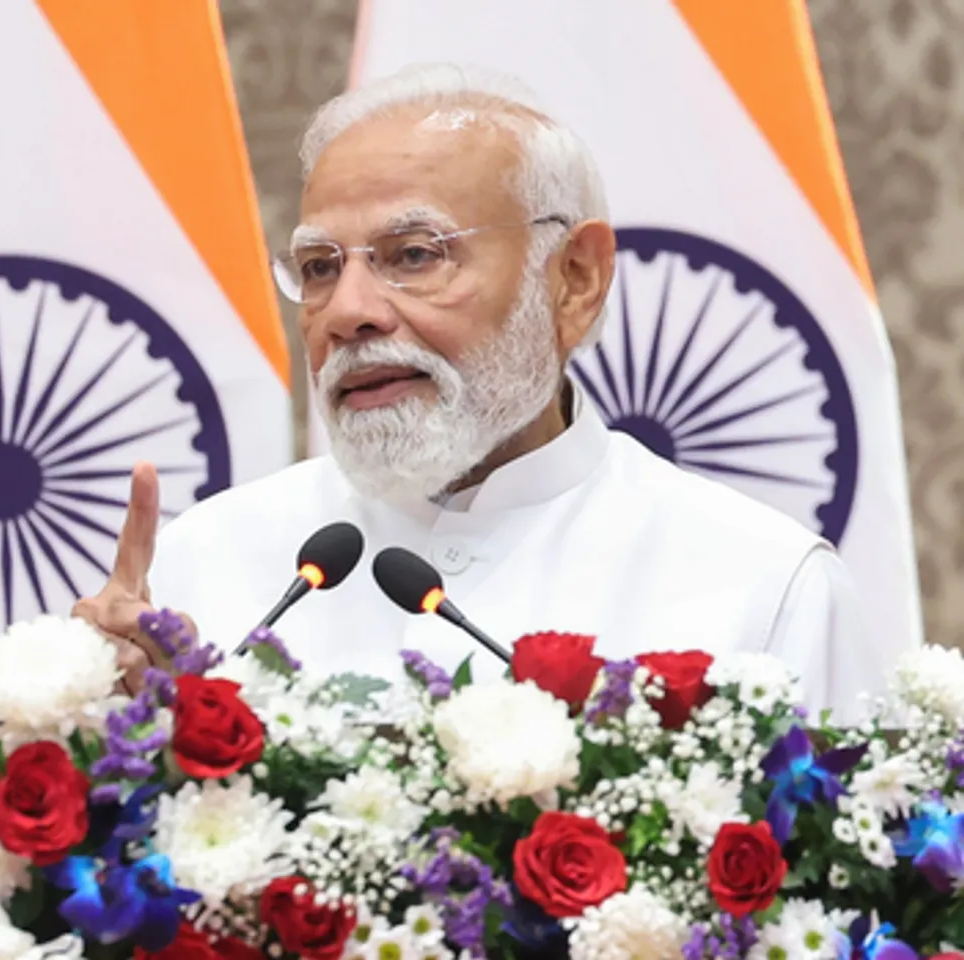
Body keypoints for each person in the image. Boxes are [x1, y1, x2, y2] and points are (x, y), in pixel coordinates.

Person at [73, 63, 883, 722]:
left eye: (414, 255)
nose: (348, 312)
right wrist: (92, 737)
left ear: (573, 278)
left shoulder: (762, 585)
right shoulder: (204, 570)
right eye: (320, 267)